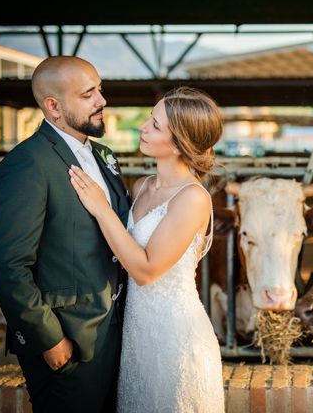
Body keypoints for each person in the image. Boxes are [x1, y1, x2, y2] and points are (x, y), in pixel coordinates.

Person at [0, 56, 130, 412]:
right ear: (54, 106)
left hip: (112, 334)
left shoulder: (103, 155)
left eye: (100, 89)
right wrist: (48, 339)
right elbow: (6, 264)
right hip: (67, 341)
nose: (102, 101)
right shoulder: (28, 163)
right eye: (88, 94)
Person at [68, 86, 225, 412]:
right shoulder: (141, 186)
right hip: (137, 336)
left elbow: (145, 270)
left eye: (154, 124)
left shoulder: (193, 198)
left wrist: (101, 209)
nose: (142, 126)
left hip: (176, 339)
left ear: (179, 143)